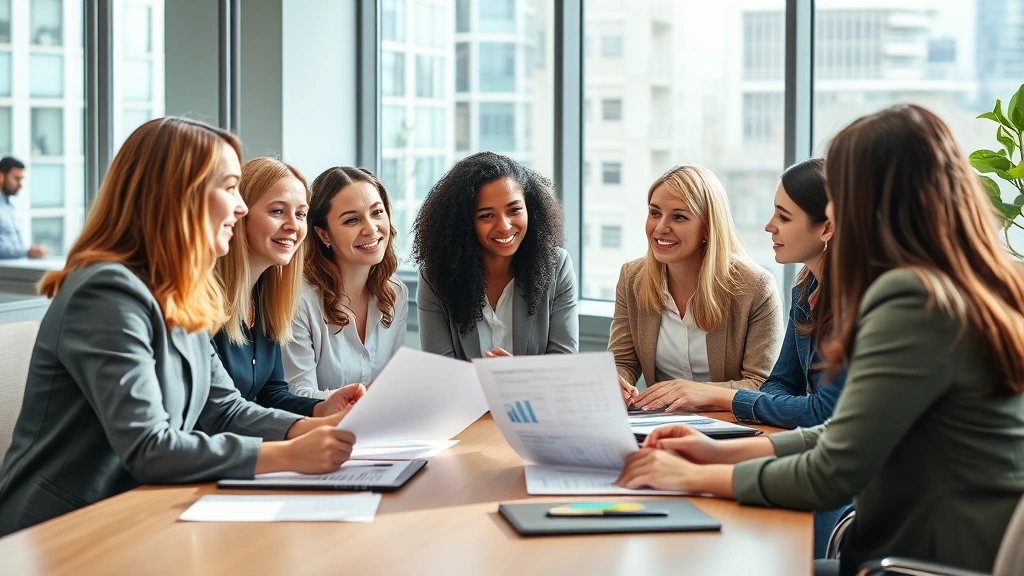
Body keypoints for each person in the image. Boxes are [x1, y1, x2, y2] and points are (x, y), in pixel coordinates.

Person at [616, 105, 1024, 576]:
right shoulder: (972, 284)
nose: (831, 210)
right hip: (952, 549)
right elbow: (843, 433)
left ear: (873, 200)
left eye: (842, 192)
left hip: (917, 560)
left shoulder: (911, 297)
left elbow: (834, 470)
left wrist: (695, 477)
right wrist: (718, 449)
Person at [0, 118, 359, 536]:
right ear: (181, 196)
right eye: (229, 189)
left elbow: (223, 409)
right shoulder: (105, 292)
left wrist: (316, 428)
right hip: (62, 530)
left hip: (143, 513)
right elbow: (149, 446)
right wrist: (289, 455)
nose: (241, 207)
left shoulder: (181, 290)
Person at [662, 158, 846, 428]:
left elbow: (823, 412)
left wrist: (718, 395)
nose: (769, 226)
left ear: (827, 228)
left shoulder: (859, 303)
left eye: (783, 217)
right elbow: (779, 383)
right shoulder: (805, 290)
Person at [609, 164, 783, 408]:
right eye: (655, 213)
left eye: (679, 216)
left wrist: (694, 392)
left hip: (730, 428)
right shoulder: (632, 277)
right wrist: (616, 382)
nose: (660, 228)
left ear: (707, 228)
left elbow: (762, 386)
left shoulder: (755, 287)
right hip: (659, 423)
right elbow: (624, 362)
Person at [213, 157, 363, 416]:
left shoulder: (266, 301)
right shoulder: (205, 302)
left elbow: (272, 394)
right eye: (277, 211)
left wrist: (323, 408)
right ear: (239, 216)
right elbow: (221, 415)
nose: (294, 226)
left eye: (301, 214)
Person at [412, 151, 578, 360]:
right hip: (464, 394)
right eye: (487, 216)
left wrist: (514, 376)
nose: (504, 226)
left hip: (534, 394)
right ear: (464, 222)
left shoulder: (557, 266)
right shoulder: (435, 275)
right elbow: (440, 368)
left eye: (514, 210)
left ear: (530, 209)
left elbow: (564, 360)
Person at [282, 167, 408, 399]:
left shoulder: (395, 292)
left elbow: (394, 381)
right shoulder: (298, 301)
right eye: (352, 220)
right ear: (324, 235)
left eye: (377, 212)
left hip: (379, 429)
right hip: (319, 431)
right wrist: (368, 394)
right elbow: (297, 395)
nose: (371, 228)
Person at [0, 156, 50, 258]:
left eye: (22, 179)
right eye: (16, 178)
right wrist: (27, 252)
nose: (21, 184)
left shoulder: (9, 207)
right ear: (1, 176)